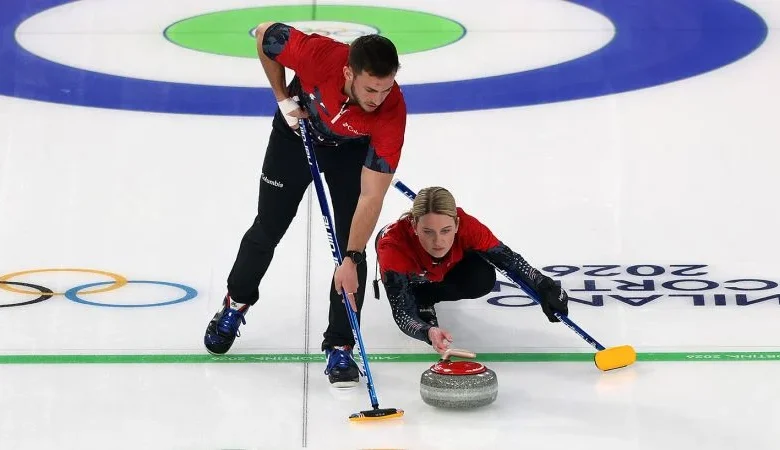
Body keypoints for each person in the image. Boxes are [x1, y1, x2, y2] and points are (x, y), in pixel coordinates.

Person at [203, 22, 407, 388]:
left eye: (386, 88)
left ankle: (341, 345)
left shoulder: (391, 112)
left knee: (351, 249)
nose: (377, 98)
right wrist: (282, 98)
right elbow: (266, 34)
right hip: (295, 136)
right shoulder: (319, 56)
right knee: (269, 225)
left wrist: (352, 257)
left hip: (348, 152)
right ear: (349, 72)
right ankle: (236, 302)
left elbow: (372, 195)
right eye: (370, 88)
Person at [375, 187, 569, 354]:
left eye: (446, 230)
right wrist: (427, 332)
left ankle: (428, 294)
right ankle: (420, 294)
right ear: (414, 226)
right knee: (412, 294)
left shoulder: (469, 227)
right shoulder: (393, 248)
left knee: (482, 278)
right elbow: (402, 312)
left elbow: (510, 261)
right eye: (428, 232)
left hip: (445, 267)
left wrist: (544, 284)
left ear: (457, 224)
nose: (438, 241)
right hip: (412, 275)